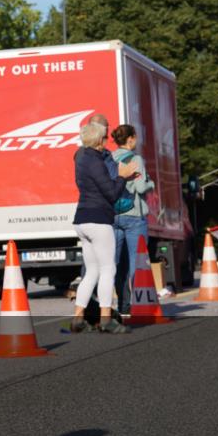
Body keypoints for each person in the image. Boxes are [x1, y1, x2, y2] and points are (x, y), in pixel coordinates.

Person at [70, 122, 138, 334]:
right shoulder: (95, 161)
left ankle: (78, 318)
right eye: (105, 138)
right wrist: (122, 176)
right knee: (109, 269)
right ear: (100, 140)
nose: (107, 141)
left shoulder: (81, 156)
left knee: (92, 271)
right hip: (98, 219)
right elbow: (111, 194)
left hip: (81, 219)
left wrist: (120, 176)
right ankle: (106, 319)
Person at [111, 124, 155, 319]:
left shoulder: (110, 158)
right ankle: (141, 304)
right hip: (135, 216)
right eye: (135, 137)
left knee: (118, 264)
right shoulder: (135, 159)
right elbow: (141, 187)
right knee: (138, 262)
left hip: (114, 216)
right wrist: (151, 183)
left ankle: (123, 305)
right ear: (130, 138)